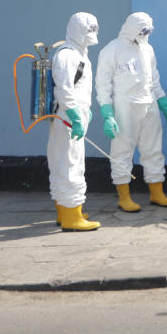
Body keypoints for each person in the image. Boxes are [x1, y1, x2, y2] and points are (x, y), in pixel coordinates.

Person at [95, 12, 167, 212]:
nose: (146, 34)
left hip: (149, 104)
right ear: (132, 28)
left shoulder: (148, 49)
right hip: (125, 106)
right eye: (143, 30)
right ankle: (124, 197)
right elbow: (102, 85)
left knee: (153, 148)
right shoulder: (111, 50)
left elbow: (154, 80)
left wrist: (164, 105)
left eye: (148, 30)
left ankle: (156, 192)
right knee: (122, 150)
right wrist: (107, 114)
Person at [48, 12, 101, 231]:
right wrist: (76, 115)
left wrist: (84, 112)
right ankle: (72, 217)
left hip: (71, 116)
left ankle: (67, 211)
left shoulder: (79, 53)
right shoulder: (68, 55)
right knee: (71, 163)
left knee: (65, 161)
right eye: (89, 29)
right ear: (77, 30)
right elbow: (65, 88)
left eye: (94, 29)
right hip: (68, 118)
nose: (92, 34)